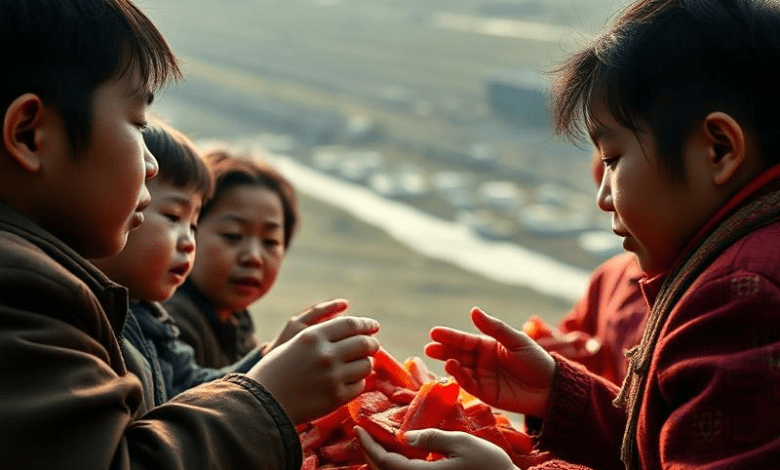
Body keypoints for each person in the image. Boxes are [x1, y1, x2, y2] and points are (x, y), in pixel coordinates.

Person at [356, 0, 780, 468]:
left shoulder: (743, 295)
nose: (603, 196)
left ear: (719, 149)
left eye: (614, 159)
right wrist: (562, 394)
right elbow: (665, 449)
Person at [0, 1, 380, 468]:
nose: (151, 163)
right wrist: (266, 398)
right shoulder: (23, 295)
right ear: (29, 134)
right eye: (138, 124)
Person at [163, 147, 342, 368]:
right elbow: (188, 398)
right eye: (233, 235)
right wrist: (273, 357)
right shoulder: (169, 319)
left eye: (270, 242)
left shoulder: (237, 322)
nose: (254, 257)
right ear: (189, 230)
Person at [533, 154, 648, 385]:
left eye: (614, 162)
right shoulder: (610, 277)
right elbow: (575, 337)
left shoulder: (706, 291)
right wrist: (559, 360)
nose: (605, 202)